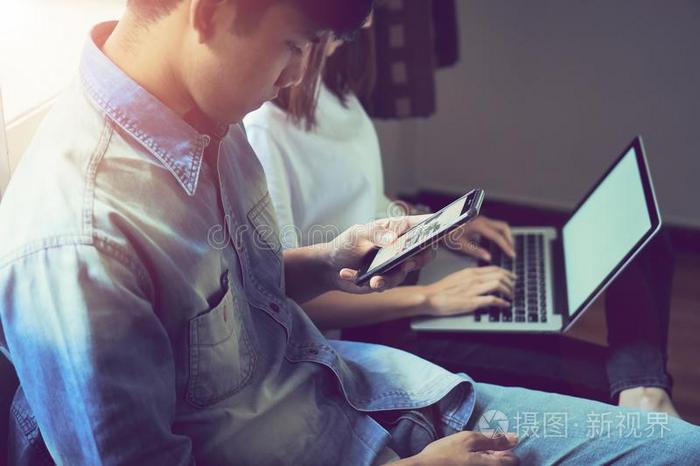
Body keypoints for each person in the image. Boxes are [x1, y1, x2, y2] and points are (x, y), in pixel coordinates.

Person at [1, 1, 698, 465]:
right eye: (296, 46)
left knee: (673, 447)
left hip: (386, 396)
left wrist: (332, 255)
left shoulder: (206, 116)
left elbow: (242, 294)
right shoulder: (77, 248)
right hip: (376, 445)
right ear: (210, 11)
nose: (302, 74)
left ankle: (642, 390)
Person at [243, 26, 680, 415]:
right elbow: (289, 295)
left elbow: (365, 198)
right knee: (607, 379)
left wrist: (437, 225)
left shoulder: (332, 90)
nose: (370, 21)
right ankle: (643, 390)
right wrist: (430, 299)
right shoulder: (264, 131)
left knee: (647, 246)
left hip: (413, 270)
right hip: (379, 328)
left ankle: (643, 387)